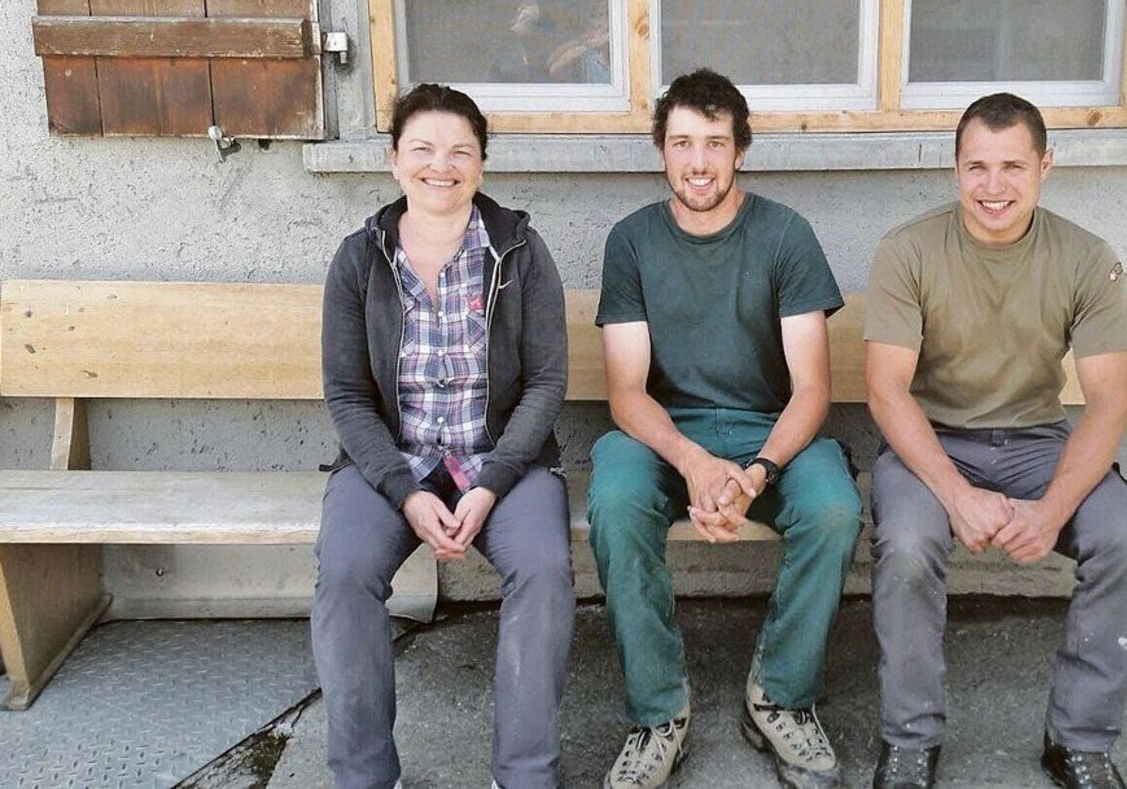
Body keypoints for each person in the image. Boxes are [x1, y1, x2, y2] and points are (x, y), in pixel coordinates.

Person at [864, 93, 1127, 789]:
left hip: (1037, 442)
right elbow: (886, 389)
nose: (992, 186)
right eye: (976, 167)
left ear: (1045, 166)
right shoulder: (907, 250)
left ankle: (1079, 740)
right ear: (955, 169)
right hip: (932, 442)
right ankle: (910, 740)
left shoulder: (1086, 258)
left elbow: (1109, 401)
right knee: (908, 545)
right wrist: (958, 495)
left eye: (1011, 167)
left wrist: (1052, 508)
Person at [587, 68, 862, 789]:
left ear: (741, 150)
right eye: (682, 142)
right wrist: (693, 462)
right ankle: (658, 712)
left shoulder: (784, 234)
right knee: (614, 497)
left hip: (769, 434)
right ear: (661, 151)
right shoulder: (632, 241)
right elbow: (624, 392)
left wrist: (758, 471)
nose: (698, 161)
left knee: (834, 506)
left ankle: (779, 694)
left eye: (715, 142)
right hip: (664, 436)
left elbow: (813, 389)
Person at [313, 83, 574, 789]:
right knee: (344, 574)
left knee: (544, 570)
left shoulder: (519, 251)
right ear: (395, 160)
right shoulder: (360, 259)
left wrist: (491, 484)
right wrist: (402, 491)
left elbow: (548, 382)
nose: (442, 165)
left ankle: (524, 774)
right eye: (423, 149)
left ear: (482, 166)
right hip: (391, 464)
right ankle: (366, 776)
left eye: (461, 151)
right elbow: (346, 392)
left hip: (503, 463)